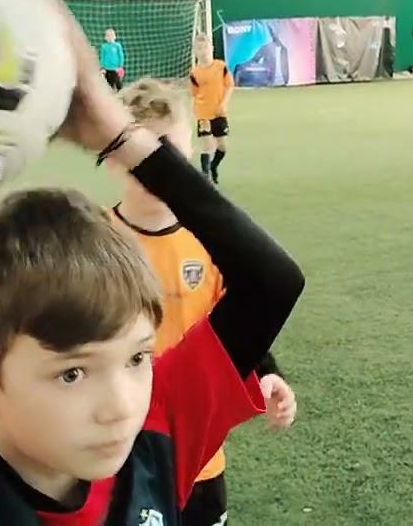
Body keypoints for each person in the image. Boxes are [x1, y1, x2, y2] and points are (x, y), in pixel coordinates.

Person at [0, 5, 305, 524]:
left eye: (136, 360)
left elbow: (272, 284)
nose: (120, 407)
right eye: (72, 373)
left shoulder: (157, 439)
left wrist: (120, 133)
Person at [112, 76, 298, 526]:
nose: (153, 172)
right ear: (113, 159)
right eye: (139, 155)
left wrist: (267, 375)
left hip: (200, 453)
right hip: (119, 451)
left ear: (190, 152)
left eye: (167, 154)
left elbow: (235, 324)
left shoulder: (214, 246)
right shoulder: (93, 239)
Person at [189, 34, 234, 184]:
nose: (203, 51)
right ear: (196, 51)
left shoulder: (221, 67)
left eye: (205, 47)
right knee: (207, 145)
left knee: (222, 147)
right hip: (203, 113)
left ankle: (213, 167)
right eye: (199, 48)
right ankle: (205, 177)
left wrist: (223, 104)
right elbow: (195, 94)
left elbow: (229, 86)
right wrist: (195, 110)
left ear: (211, 48)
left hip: (218, 113)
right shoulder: (195, 73)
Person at [100, 27, 126, 91]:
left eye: (111, 35)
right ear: (105, 37)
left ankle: (121, 94)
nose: (109, 37)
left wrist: (121, 65)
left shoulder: (117, 45)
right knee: (109, 85)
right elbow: (102, 57)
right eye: (108, 35)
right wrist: (102, 67)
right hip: (107, 69)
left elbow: (121, 55)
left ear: (115, 37)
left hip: (115, 68)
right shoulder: (104, 46)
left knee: (118, 84)